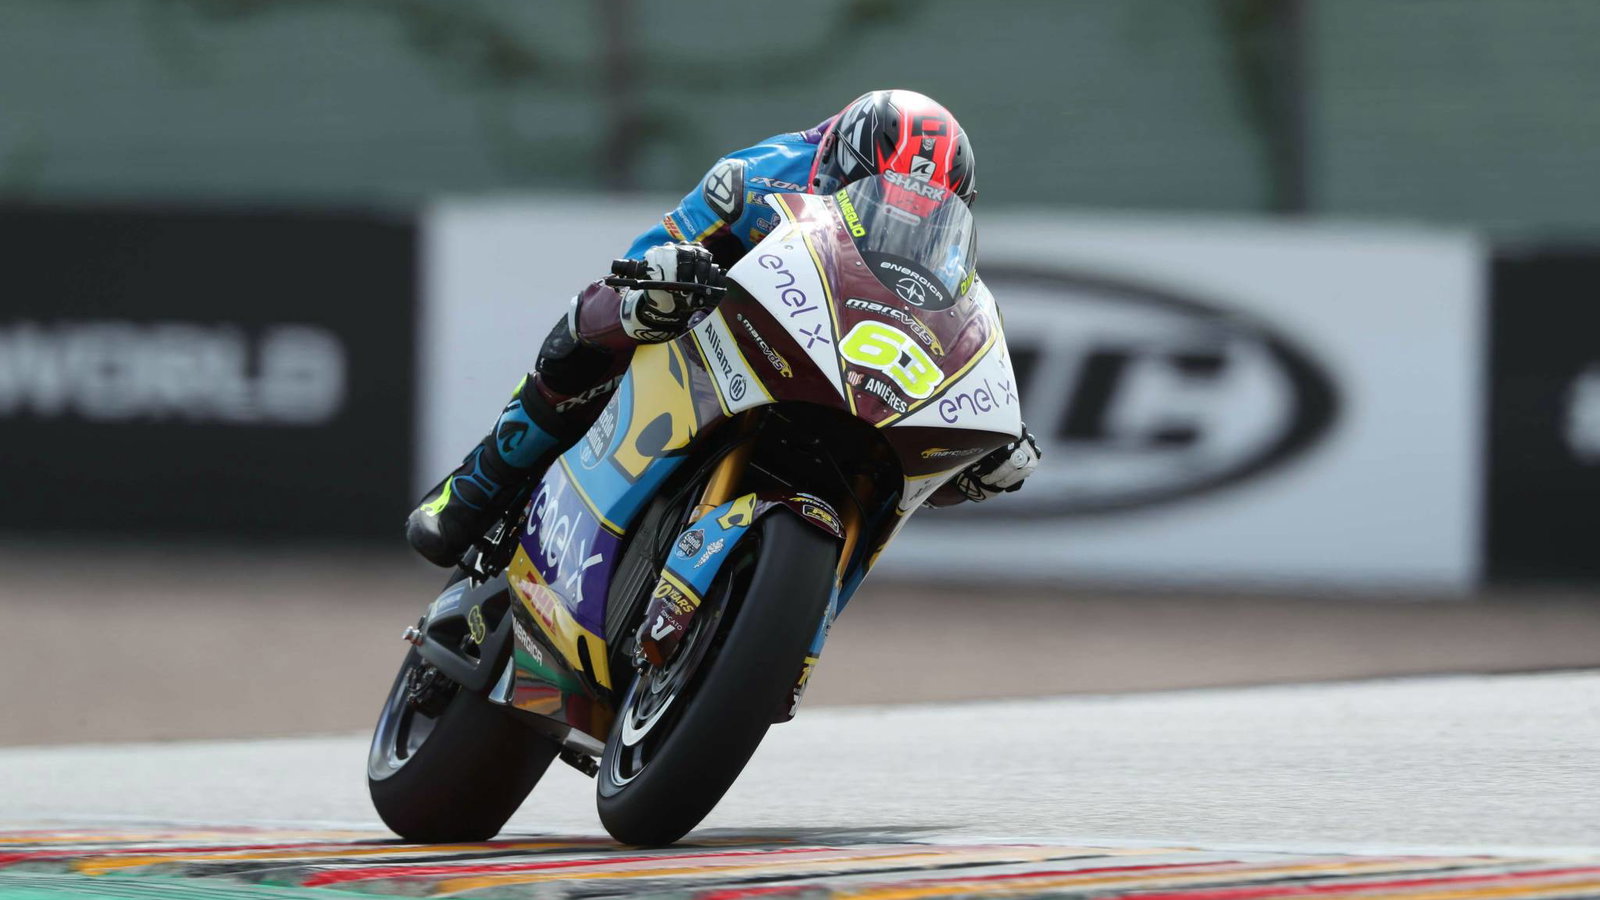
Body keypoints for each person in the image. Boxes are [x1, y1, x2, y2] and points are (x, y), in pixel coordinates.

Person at [406, 89, 1042, 567]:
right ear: (837, 167)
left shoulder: (947, 260)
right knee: (606, 323)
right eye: (883, 199)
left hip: (831, 375)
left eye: (924, 215)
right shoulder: (753, 177)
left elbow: (953, 345)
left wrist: (975, 457)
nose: (904, 226)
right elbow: (635, 268)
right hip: (717, 333)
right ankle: (477, 484)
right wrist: (659, 289)